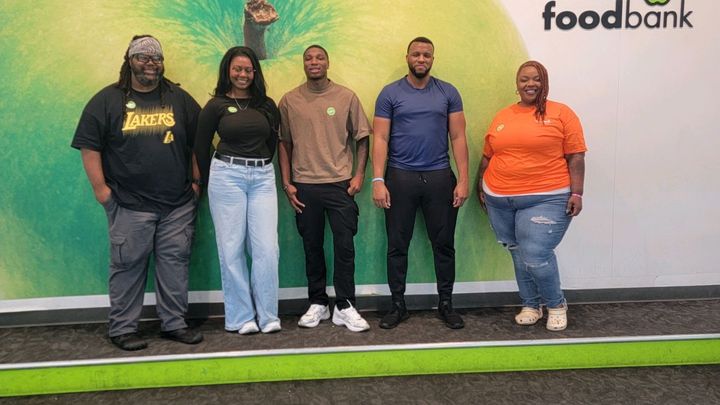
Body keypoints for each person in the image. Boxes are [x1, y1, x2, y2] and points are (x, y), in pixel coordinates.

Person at [72, 35, 203, 351]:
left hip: (177, 204)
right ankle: (122, 328)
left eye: (156, 58)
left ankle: (174, 324)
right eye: (143, 57)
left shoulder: (179, 99)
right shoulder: (106, 100)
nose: (150, 63)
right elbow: (89, 147)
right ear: (129, 60)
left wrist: (197, 183)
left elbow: (198, 142)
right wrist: (101, 191)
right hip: (129, 204)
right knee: (127, 267)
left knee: (175, 264)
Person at [477, 60, 587, 331]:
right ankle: (530, 304)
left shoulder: (562, 114)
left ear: (544, 82)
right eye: (524, 79)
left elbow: (576, 156)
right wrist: (480, 186)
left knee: (536, 254)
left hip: (547, 197)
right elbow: (488, 155)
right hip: (499, 198)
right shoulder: (503, 116)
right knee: (517, 253)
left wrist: (577, 192)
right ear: (517, 84)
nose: (530, 84)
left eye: (536, 79)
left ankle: (556, 305)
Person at [372, 37, 469, 330]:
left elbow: (458, 137)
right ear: (407, 57)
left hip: (439, 178)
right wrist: (378, 179)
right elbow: (380, 138)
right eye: (416, 54)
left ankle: (446, 304)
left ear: (433, 59)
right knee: (397, 245)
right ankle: (397, 306)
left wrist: (463, 179)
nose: (421, 59)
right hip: (400, 178)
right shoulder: (390, 93)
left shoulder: (448, 92)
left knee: (444, 245)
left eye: (426, 55)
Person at [278, 45, 372, 332]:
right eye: (308, 58)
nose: (314, 62)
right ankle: (318, 302)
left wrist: (359, 176)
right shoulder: (290, 101)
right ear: (303, 64)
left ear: (328, 62)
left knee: (344, 247)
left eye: (319, 57)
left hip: (340, 185)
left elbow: (362, 137)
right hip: (305, 186)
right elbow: (284, 143)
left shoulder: (346, 97)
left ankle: (345, 305)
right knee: (312, 247)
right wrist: (287, 183)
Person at [194, 46, 281, 335]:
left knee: (267, 248)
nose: (242, 74)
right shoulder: (215, 105)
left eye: (247, 69)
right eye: (237, 69)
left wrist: (259, 163)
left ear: (255, 72)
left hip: (262, 178)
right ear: (228, 71)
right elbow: (201, 146)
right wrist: (207, 182)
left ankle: (268, 316)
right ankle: (241, 317)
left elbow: (272, 143)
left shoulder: (267, 105)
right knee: (231, 248)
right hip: (226, 177)